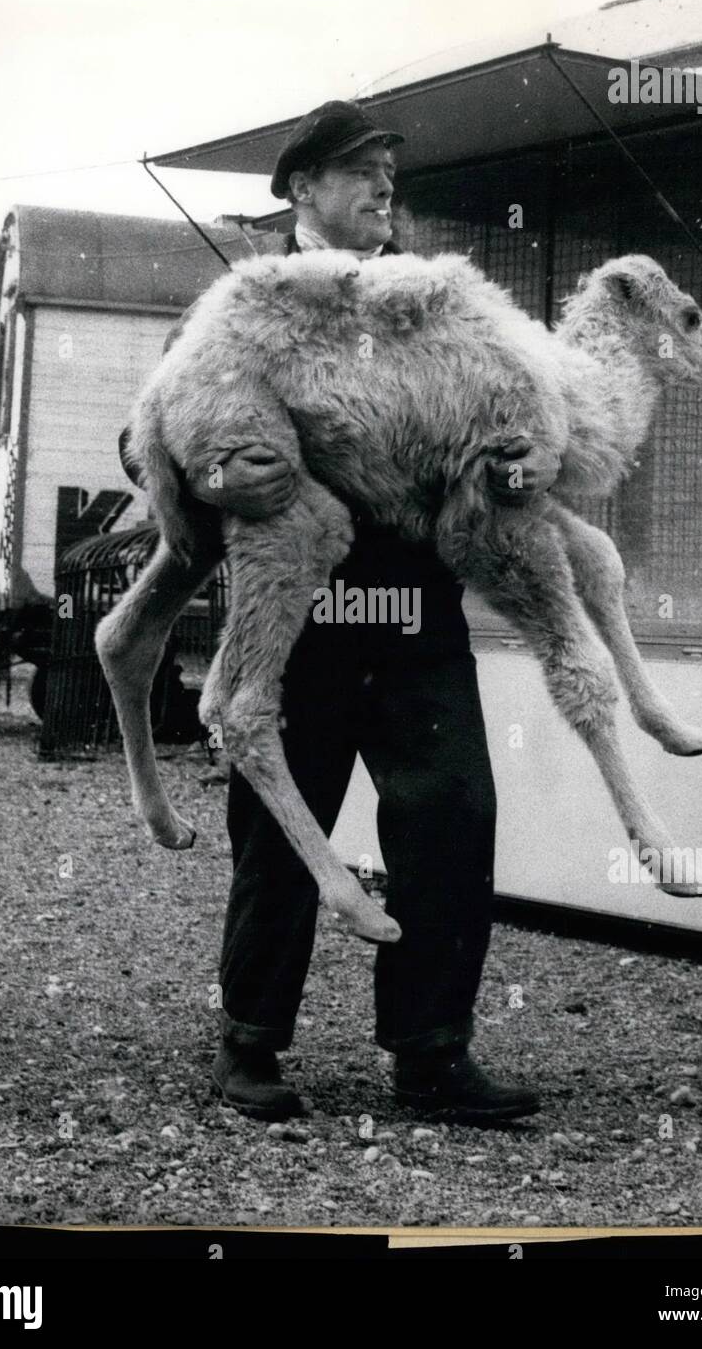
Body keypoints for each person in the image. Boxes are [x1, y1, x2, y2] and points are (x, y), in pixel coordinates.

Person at [125, 101, 560, 1120]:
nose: (383, 188)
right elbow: (144, 437)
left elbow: (506, 419)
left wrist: (528, 464)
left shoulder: (432, 304)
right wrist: (216, 475)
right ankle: (249, 1043)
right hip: (300, 622)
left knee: (454, 817)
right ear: (301, 188)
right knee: (280, 833)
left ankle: (432, 1053)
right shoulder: (239, 304)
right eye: (361, 171)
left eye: (390, 174)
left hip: (416, 612)